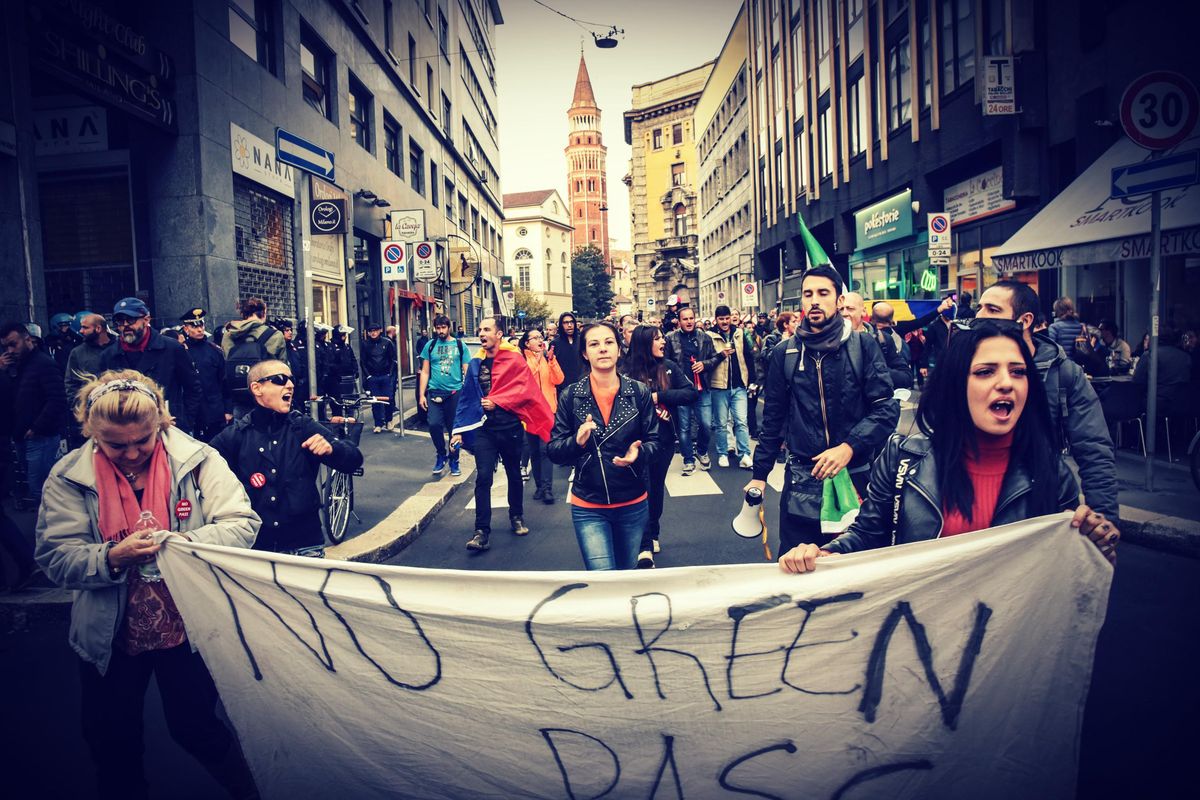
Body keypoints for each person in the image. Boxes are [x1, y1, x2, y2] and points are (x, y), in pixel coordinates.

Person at [35, 369, 260, 799]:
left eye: (144, 440)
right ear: (90, 431)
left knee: (198, 730)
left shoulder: (198, 459)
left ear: (162, 421)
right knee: (111, 741)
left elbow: (242, 524)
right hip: (109, 633)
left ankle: (256, 792)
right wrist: (110, 557)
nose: (133, 453)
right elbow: (54, 557)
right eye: (116, 445)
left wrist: (184, 543)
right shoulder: (67, 475)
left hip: (187, 628)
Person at [778, 321, 1119, 572]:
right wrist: (824, 555)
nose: (1005, 383)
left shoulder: (1052, 473)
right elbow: (867, 535)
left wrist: (1091, 545)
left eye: (1018, 372)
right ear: (957, 385)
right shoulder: (903, 460)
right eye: (986, 372)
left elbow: (1059, 574)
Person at [745, 266, 899, 553]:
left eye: (823, 293)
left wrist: (849, 447)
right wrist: (759, 474)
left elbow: (886, 409)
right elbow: (773, 419)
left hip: (856, 476)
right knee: (798, 567)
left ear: (839, 301)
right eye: (808, 294)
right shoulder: (785, 353)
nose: (814, 300)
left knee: (858, 567)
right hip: (803, 482)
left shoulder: (862, 346)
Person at [976, 280, 1118, 521]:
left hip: (1040, 507)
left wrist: (1103, 520)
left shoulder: (1064, 374)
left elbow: (1094, 449)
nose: (979, 316)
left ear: (1025, 320)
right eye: (980, 307)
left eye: (992, 309)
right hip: (974, 503)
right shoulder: (964, 365)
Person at [211, 360, 362, 555]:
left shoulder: (303, 426)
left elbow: (354, 460)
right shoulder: (236, 435)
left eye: (291, 379)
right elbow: (202, 469)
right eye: (280, 379)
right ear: (257, 388)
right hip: (256, 548)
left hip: (305, 545)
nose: (290, 384)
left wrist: (333, 449)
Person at [548, 322, 659, 570]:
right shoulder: (571, 395)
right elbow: (554, 450)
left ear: (619, 349)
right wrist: (576, 443)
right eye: (594, 344)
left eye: (609, 342)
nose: (603, 349)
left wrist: (638, 454)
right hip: (589, 505)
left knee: (626, 574)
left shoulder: (639, 392)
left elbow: (656, 443)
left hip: (632, 502)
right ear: (585, 354)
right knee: (603, 578)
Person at [451, 317, 553, 551]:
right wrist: (457, 430)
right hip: (485, 431)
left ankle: (516, 516)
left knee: (513, 474)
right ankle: (481, 531)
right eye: (480, 330)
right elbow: (467, 398)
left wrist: (498, 401)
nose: (482, 333)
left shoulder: (515, 360)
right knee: (483, 477)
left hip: (510, 429)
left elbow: (525, 391)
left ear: (499, 335)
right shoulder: (476, 364)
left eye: (487, 329)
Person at [621, 324, 697, 567]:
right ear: (644, 343)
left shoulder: (670, 368)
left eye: (662, 337)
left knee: (654, 487)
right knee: (640, 487)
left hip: (663, 440)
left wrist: (659, 397)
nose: (663, 342)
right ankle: (643, 544)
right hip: (634, 441)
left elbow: (690, 393)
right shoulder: (625, 369)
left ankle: (652, 531)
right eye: (657, 339)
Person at [100, 298, 203, 436]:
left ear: (146, 320)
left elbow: (193, 388)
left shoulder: (172, 349)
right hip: (126, 432)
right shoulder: (109, 355)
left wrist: (185, 421)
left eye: (131, 320)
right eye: (120, 321)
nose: (125, 325)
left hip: (167, 427)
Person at [1, 322, 69, 509]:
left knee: (41, 488)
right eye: (6, 346)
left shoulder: (44, 363)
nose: (10, 350)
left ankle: (53, 530)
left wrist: (37, 427)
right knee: (35, 487)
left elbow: (57, 399)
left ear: (28, 339)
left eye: (13, 344)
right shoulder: (16, 367)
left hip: (40, 435)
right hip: (21, 434)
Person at [664, 306, 722, 475]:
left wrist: (705, 365)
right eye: (685, 319)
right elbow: (666, 362)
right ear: (679, 321)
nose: (689, 322)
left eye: (691, 318)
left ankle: (702, 451)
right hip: (681, 391)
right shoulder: (670, 338)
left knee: (705, 425)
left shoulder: (705, 337)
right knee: (684, 428)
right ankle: (688, 459)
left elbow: (714, 358)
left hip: (702, 388)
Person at [705, 305, 755, 469]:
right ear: (716, 320)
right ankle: (723, 453)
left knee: (741, 421)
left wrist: (752, 380)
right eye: (721, 319)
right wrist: (721, 355)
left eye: (727, 318)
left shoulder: (739, 333)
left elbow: (748, 356)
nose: (725, 321)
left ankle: (745, 454)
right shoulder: (710, 336)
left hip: (739, 384)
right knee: (721, 423)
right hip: (719, 385)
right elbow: (707, 360)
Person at [221, 297, 287, 420]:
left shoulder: (229, 335)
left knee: (242, 434)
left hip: (238, 396)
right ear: (263, 312)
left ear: (243, 314)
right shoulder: (275, 335)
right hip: (266, 397)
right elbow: (283, 369)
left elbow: (226, 361)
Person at [419, 315, 469, 475]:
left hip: (454, 392)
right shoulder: (430, 346)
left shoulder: (460, 345)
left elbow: (467, 371)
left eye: (443, 327)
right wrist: (421, 394)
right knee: (433, 425)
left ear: (449, 328)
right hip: (434, 392)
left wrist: (469, 394)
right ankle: (441, 454)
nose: (440, 331)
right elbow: (425, 371)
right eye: (438, 328)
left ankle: (454, 460)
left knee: (454, 429)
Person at [519, 328, 564, 503]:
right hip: (530, 412)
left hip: (548, 411)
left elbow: (559, 379)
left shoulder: (548, 357)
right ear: (527, 342)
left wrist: (551, 361)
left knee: (545, 450)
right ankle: (539, 486)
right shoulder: (522, 359)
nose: (539, 340)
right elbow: (526, 380)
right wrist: (537, 361)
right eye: (535, 338)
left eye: (540, 337)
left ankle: (547, 488)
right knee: (534, 451)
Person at [178, 308, 227, 442]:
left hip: (215, 411)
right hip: (193, 413)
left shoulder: (214, 350)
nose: (199, 329)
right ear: (186, 328)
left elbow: (224, 381)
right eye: (194, 326)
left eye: (201, 325)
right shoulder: (180, 351)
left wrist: (228, 410)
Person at [861, 301, 915, 390]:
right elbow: (906, 376)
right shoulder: (899, 330)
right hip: (892, 390)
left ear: (871, 317)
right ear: (891, 319)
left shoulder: (870, 337)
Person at [65, 313, 114, 402]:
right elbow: (71, 384)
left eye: (85, 327)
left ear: (98, 328)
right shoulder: (77, 352)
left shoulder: (119, 347)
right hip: (90, 409)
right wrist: (79, 407)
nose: (80, 331)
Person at [360, 322, 397, 433]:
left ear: (380, 331)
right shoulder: (365, 344)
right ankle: (378, 424)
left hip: (385, 376)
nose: (373, 333)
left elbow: (393, 360)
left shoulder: (387, 342)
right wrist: (368, 376)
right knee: (375, 401)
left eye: (375, 330)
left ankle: (389, 420)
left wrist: (389, 374)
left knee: (388, 400)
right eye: (371, 331)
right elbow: (363, 362)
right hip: (373, 377)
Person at [1047, 296, 1086, 363]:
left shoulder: (1054, 327)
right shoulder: (1081, 327)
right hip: (1078, 365)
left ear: (1057, 311)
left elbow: (1050, 350)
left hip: (1062, 365)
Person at [551, 311, 585, 386]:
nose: (569, 325)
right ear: (561, 325)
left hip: (582, 384)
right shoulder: (555, 344)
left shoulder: (582, 340)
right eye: (566, 323)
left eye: (571, 322)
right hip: (563, 387)